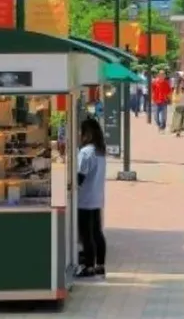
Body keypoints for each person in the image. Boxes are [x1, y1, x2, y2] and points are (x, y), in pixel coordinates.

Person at [76, 117, 107, 278]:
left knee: (86, 234)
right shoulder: (100, 151)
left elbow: (80, 177)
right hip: (97, 198)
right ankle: (100, 265)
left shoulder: (86, 152)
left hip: (84, 199)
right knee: (97, 232)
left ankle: (88, 266)